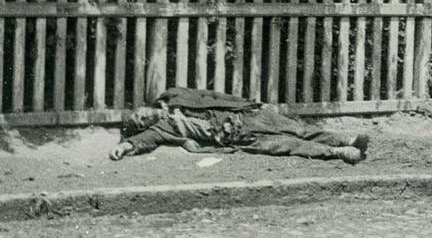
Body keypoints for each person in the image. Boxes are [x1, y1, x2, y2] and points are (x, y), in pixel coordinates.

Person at [110, 87, 370, 164]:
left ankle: (345, 140)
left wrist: (248, 104)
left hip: (245, 115)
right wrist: (125, 146)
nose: (144, 118)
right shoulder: (162, 129)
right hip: (237, 137)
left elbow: (213, 96)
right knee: (287, 145)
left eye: (140, 114)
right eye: (140, 122)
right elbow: (143, 141)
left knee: (298, 128)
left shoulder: (174, 95)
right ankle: (338, 153)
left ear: (142, 106)